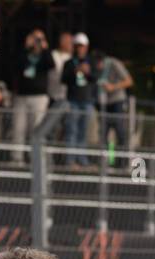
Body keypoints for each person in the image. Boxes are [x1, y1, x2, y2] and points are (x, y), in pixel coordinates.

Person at [11, 29, 53, 152]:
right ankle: (17, 158)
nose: (37, 42)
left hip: (39, 96)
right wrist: (26, 47)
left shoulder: (44, 56)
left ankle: (36, 157)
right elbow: (15, 65)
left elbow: (51, 64)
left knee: (37, 128)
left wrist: (45, 49)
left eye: (40, 39)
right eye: (35, 38)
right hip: (22, 96)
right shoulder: (23, 54)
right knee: (19, 128)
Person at [60, 33, 97, 168]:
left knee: (83, 132)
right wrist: (74, 72)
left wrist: (87, 72)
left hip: (87, 101)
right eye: (78, 46)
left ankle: (82, 160)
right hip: (73, 100)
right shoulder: (69, 63)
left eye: (82, 46)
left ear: (86, 47)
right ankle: (70, 161)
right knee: (72, 131)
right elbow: (63, 80)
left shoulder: (91, 62)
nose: (80, 49)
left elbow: (96, 79)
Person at [98, 49, 132, 156]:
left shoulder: (114, 63)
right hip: (103, 103)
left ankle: (121, 161)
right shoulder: (95, 68)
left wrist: (113, 87)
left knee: (120, 131)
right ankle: (105, 160)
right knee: (103, 133)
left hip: (117, 101)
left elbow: (129, 81)